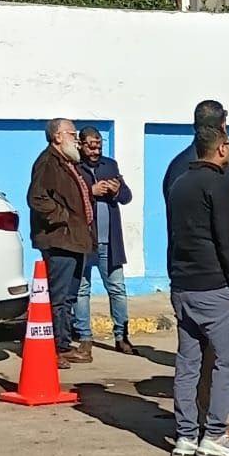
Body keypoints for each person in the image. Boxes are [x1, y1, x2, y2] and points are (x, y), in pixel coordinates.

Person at [166, 127, 229, 456]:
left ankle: (186, 435)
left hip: (183, 284)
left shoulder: (179, 184)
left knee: (188, 363)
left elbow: (174, 235)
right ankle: (215, 434)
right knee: (227, 362)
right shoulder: (220, 185)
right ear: (221, 149)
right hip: (214, 285)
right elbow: (227, 239)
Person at [28, 118, 95, 368]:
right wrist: (63, 217)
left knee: (69, 296)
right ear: (57, 137)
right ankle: (54, 347)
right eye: (71, 134)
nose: (76, 140)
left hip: (75, 239)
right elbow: (37, 198)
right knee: (58, 297)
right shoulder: (48, 162)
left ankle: (64, 345)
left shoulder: (67, 163)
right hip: (60, 240)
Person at [73, 127, 135, 358]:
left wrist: (117, 191)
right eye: (91, 146)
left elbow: (127, 197)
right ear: (80, 145)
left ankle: (121, 336)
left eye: (98, 145)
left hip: (110, 242)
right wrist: (91, 191)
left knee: (117, 289)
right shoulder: (74, 167)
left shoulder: (110, 166)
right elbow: (68, 198)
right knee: (82, 290)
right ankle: (84, 337)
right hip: (84, 241)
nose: (95, 150)